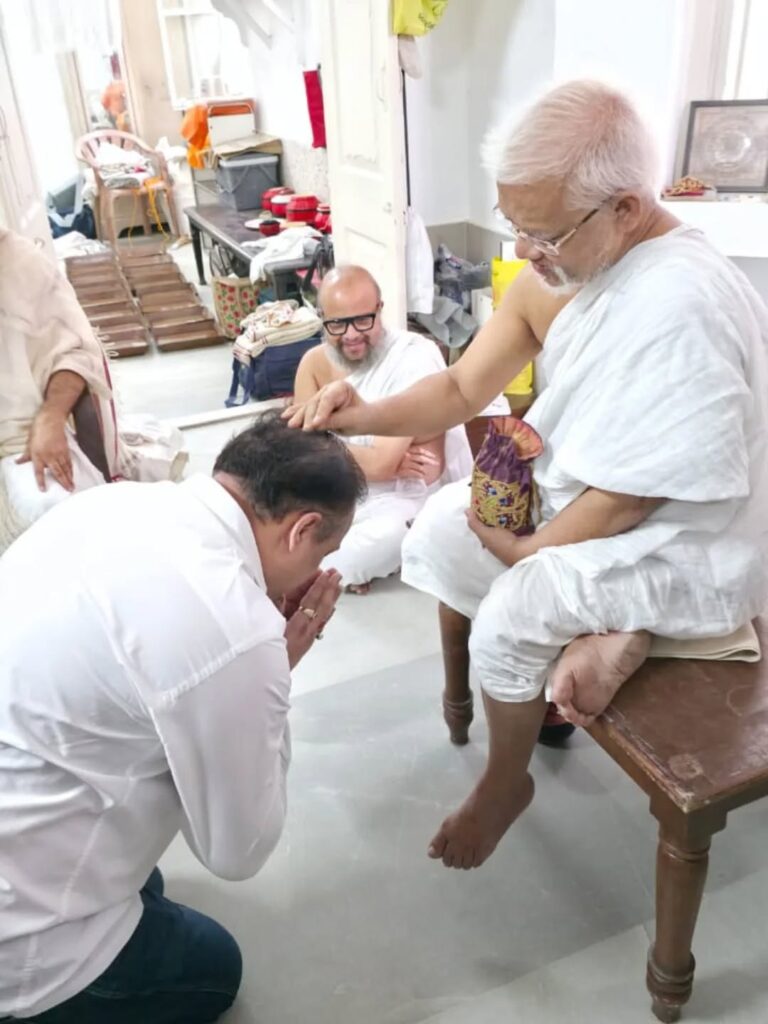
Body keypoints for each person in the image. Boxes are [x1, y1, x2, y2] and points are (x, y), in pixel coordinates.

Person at [285, 80, 768, 870]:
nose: (523, 252)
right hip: (598, 506)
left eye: (542, 233)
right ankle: (612, 634)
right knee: (439, 529)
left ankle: (506, 782)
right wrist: (357, 413)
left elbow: (632, 498)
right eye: (513, 224)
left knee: (515, 609)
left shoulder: (680, 301)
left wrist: (528, 552)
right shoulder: (571, 269)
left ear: (625, 209)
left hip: (682, 543)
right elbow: (459, 387)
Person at [0, 413, 365, 1021]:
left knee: (153, 883)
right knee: (214, 968)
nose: (317, 570)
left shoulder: (110, 504)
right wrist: (272, 674)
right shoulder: (234, 629)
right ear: (302, 530)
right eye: (325, 551)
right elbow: (238, 852)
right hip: (20, 942)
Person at [0, 229, 185, 553]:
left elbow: (76, 352)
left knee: (56, 511)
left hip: (19, 439)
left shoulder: (20, 262)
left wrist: (51, 417)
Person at [294, 265, 471, 593]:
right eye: (337, 324)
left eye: (363, 320)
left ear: (380, 310)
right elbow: (299, 453)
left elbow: (380, 466)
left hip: (399, 497)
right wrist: (368, 459)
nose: (351, 335)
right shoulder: (313, 363)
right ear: (322, 319)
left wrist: (325, 447)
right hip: (332, 491)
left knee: (388, 538)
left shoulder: (413, 357)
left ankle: (331, 570)